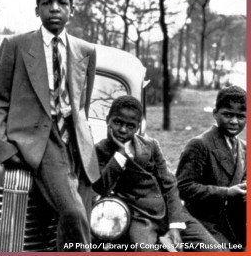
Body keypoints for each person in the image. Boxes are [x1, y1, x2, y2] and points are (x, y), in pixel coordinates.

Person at [0, 0, 100, 251]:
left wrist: (83, 138)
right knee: (73, 213)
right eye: (47, 3)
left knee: (70, 224)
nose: (55, 9)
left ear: (71, 10)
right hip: (41, 139)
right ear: (37, 10)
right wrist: (5, 147)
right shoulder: (16, 45)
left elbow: (83, 104)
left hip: (78, 144)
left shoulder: (86, 50)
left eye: (62, 3)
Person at [92, 96, 222, 252]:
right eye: (118, 122)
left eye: (130, 126)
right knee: (144, 249)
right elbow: (101, 187)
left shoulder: (150, 146)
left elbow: (170, 184)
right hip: (139, 216)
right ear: (108, 120)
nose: (123, 130)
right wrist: (120, 155)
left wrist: (175, 224)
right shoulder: (100, 150)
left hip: (168, 211)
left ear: (138, 127)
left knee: (213, 249)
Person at [176, 85, 246, 251]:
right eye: (228, 114)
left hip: (232, 222)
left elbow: (243, 180)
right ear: (215, 113)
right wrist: (226, 192)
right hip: (202, 222)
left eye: (240, 116)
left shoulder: (244, 147)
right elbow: (182, 187)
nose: (234, 121)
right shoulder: (200, 145)